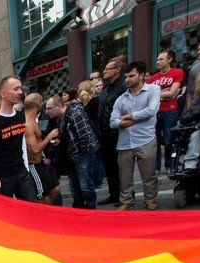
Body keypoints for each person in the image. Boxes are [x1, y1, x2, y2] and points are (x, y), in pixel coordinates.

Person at [111, 61, 162, 211]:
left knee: (149, 173)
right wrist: (137, 119)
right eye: (126, 76)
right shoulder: (121, 99)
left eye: (131, 76)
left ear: (142, 75)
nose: (127, 79)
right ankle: (126, 200)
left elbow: (151, 110)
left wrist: (128, 116)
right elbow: (113, 122)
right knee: (125, 176)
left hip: (146, 139)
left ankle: (150, 199)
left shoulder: (153, 89)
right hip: (125, 142)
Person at [0, 75, 35, 200]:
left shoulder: (21, 116)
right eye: (15, 89)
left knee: (32, 206)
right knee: (5, 211)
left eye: (20, 88)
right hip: (2, 178)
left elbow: (22, 146)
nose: (20, 92)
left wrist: (26, 170)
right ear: (3, 94)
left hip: (22, 174)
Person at [45, 94, 100, 209]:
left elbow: (85, 137)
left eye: (49, 108)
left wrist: (80, 154)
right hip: (73, 154)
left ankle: (90, 208)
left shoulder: (75, 114)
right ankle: (79, 206)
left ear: (59, 106)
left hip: (83, 153)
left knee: (85, 183)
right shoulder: (60, 117)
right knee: (74, 184)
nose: (46, 111)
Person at [96, 56, 128, 206]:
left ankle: (126, 194)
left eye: (108, 69)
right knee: (108, 165)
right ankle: (114, 193)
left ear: (117, 70)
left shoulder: (123, 86)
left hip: (117, 131)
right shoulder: (106, 87)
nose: (104, 71)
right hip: (104, 132)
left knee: (119, 165)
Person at [148, 50, 185, 170]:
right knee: (155, 141)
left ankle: (170, 166)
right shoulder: (152, 78)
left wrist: (157, 95)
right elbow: (149, 96)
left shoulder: (177, 72)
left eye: (161, 59)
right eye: (157, 59)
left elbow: (172, 92)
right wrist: (164, 94)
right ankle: (157, 168)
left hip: (170, 110)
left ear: (169, 60)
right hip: (155, 111)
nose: (158, 62)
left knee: (169, 139)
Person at [22, 93, 61, 204]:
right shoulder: (28, 124)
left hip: (41, 163)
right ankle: (43, 213)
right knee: (42, 198)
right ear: (38, 103)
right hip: (33, 165)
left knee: (55, 189)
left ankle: (48, 210)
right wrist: (50, 136)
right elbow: (34, 149)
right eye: (42, 102)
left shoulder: (33, 120)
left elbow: (38, 142)